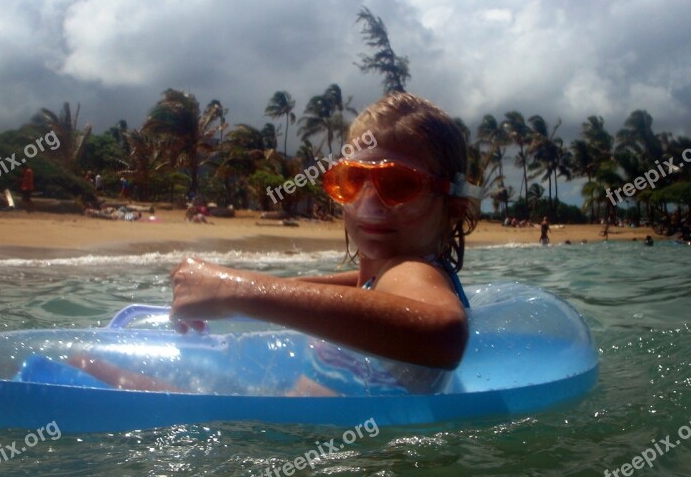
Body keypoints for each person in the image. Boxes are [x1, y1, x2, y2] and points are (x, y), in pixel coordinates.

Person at [170, 92, 480, 396]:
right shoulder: (386, 273)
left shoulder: (411, 272)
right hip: (332, 434)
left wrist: (233, 290)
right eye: (352, 180)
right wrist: (233, 294)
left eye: (398, 184)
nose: (369, 205)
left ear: (454, 207)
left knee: (126, 382)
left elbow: (445, 338)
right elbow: (357, 289)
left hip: (325, 441)